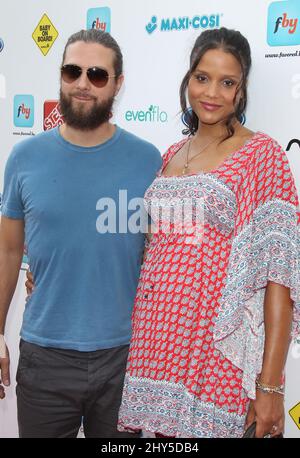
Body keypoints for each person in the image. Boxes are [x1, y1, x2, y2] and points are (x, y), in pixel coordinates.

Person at [117, 27, 300, 438]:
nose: (212, 92)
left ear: (241, 89)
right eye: (202, 77)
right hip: (152, 346)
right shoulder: (168, 154)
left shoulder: (262, 155)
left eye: (227, 81)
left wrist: (269, 385)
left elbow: (280, 277)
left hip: (213, 352)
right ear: (188, 79)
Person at [0, 29, 161, 438]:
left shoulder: (148, 161)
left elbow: (161, 256)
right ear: (61, 76)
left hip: (125, 358)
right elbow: (7, 251)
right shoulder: (24, 158)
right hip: (44, 359)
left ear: (118, 84)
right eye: (72, 71)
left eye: (97, 74)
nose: (83, 83)